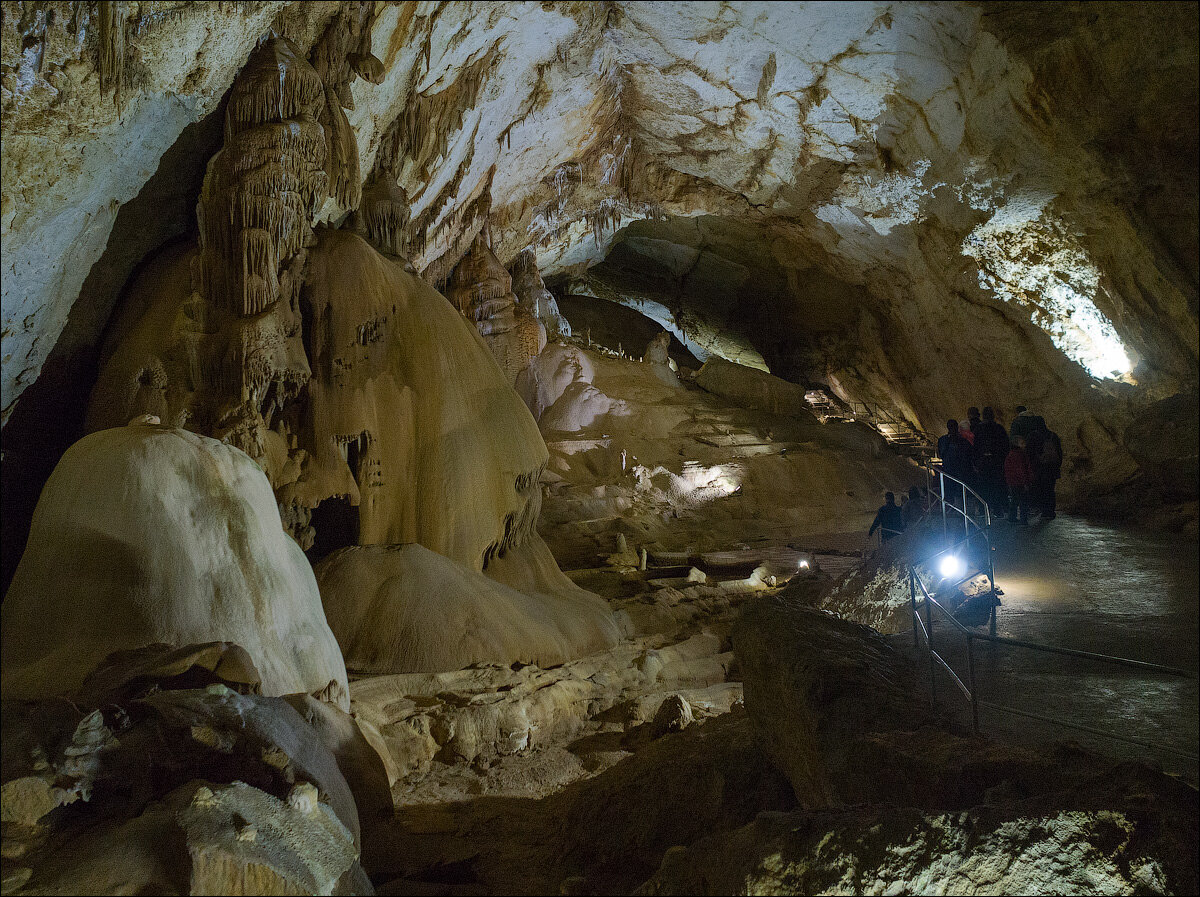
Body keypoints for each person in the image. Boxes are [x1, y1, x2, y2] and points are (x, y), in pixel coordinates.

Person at [972, 406, 1009, 516]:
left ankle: (984, 509)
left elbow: (975, 447)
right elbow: (1005, 446)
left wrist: (976, 462)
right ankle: (998, 510)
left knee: (984, 488)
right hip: (996, 462)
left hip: (983, 463)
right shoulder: (999, 429)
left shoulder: (978, 429)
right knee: (997, 487)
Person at [1031, 420, 1063, 520]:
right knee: (1050, 490)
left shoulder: (1033, 437)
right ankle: (1050, 511)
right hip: (1052, 468)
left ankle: (1044, 511)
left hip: (1039, 469)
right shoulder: (1053, 436)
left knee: (1040, 490)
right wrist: (1057, 466)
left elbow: (1030, 453)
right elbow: (1059, 453)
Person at [936, 419, 973, 502]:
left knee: (958, 493)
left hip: (957, 471)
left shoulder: (962, 441)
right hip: (953, 471)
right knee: (954, 494)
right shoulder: (944, 440)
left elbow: (968, 454)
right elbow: (942, 454)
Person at [1004, 436, 1034, 524]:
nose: (1024, 445)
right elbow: (1021, 469)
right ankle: (1023, 519)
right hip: (1019, 482)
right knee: (1023, 501)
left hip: (1012, 481)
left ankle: (1012, 517)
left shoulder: (1011, 454)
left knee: (1014, 500)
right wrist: (1025, 482)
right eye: (1022, 443)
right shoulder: (1020, 454)